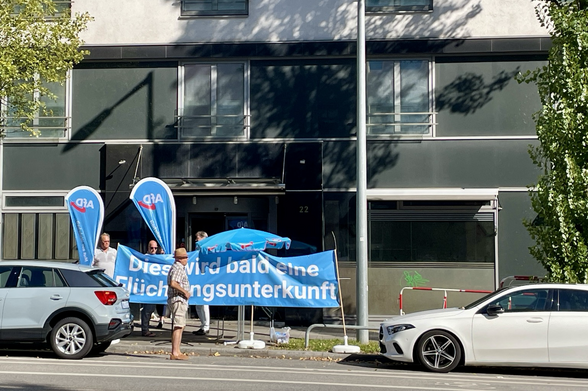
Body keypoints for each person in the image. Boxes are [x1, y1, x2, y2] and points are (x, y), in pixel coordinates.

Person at [168, 247, 191, 360]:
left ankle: (177, 350)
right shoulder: (177, 268)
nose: (187, 259)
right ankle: (175, 352)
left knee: (180, 325)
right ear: (180, 259)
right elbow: (173, 283)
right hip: (178, 299)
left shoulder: (178, 268)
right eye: (185, 257)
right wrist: (185, 292)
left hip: (179, 299)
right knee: (178, 325)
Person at [140, 240, 159, 337]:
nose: (154, 250)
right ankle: (145, 329)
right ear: (148, 248)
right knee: (147, 309)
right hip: (147, 288)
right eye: (152, 248)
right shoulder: (144, 258)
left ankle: (145, 328)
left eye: (155, 248)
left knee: (151, 309)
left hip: (156, 288)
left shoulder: (158, 258)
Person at [193, 231, 210, 336]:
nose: (196, 240)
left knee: (204, 303)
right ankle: (202, 324)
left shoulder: (207, 248)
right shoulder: (197, 249)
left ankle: (206, 326)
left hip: (205, 278)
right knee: (198, 304)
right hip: (198, 278)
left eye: (197, 238)